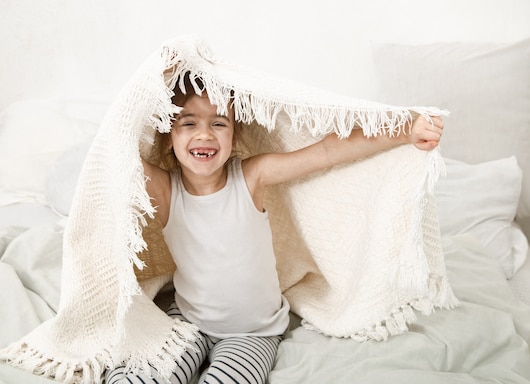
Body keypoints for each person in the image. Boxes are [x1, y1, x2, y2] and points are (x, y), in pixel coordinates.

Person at [105, 77, 444, 384]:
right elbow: (116, 149)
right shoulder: (166, 189)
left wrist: (403, 131)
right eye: (188, 123)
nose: (204, 134)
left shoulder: (251, 176)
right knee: (135, 375)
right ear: (168, 139)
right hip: (187, 319)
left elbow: (326, 151)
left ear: (234, 136)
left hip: (252, 332)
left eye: (218, 123)